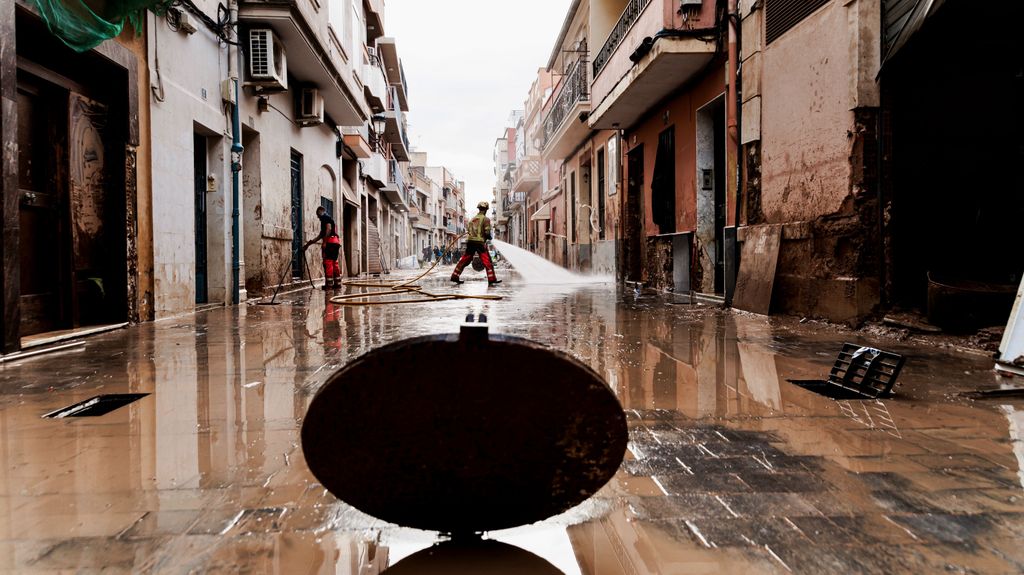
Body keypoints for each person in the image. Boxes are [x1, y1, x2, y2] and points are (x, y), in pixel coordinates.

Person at [451, 202, 500, 285]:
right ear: (486, 210)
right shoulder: (486, 219)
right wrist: (490, 238)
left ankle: (455, 276)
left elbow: (469, 231)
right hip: (479, 243)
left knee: (465, 260)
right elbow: (487, 233)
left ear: (479, 209)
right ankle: (491, 279)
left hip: (470, 242)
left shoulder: (472, 219)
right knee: (487, 261)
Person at [304, 206, 342, 290]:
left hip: (330, 243)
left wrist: (325, 242)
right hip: (335, 242)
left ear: (321, 211)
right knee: (334, 263)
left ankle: (329, 285)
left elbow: (328, 228)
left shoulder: (325, 217)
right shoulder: (327, 220)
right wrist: (308, 244)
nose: (318, 217)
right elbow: (320, 236)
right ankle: (337, 284)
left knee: (328, 263)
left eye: (318, 214)